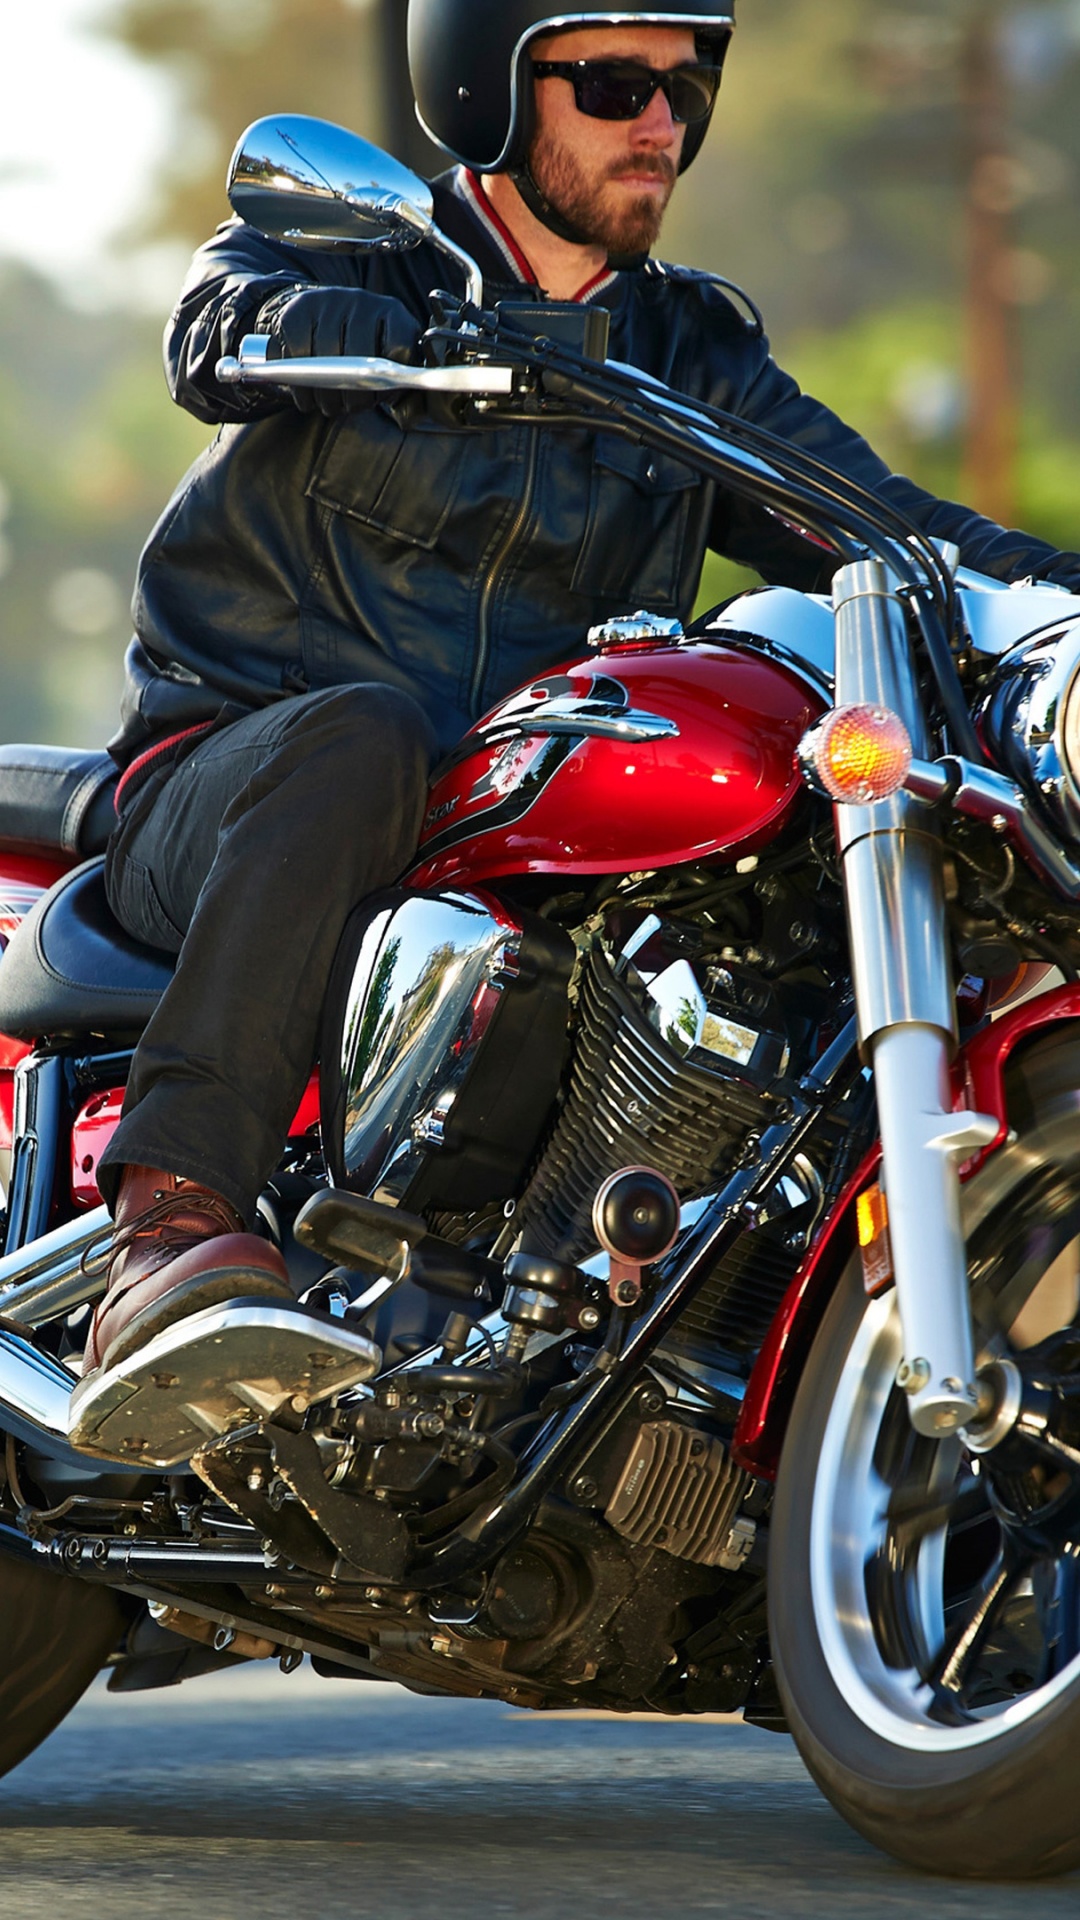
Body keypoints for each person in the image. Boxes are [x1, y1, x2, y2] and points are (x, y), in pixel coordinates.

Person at [81, 0, 1080, 1391]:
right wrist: (354, 326)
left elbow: (897, 526)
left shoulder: (688, 358)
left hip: (494, 814)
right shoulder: (372, 253)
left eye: (688, 87)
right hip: (239, 775)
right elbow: (218, 328)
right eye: (614, 85)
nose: (662, 125)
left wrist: (1056, 605)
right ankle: (168, 1225)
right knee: (360, 736)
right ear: (489, 83)